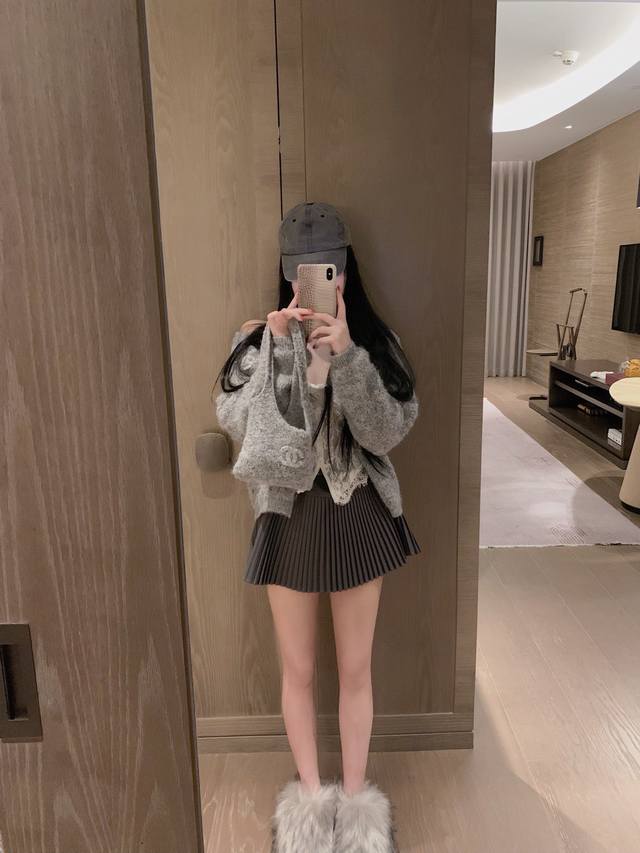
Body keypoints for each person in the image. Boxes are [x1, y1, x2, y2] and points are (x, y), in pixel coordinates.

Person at [213, 201, 420, 853]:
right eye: (303, 271)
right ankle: (307, 807)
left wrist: (349, 356)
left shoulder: (374, 342)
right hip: (287, 516)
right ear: (286, 274)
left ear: (345, 270)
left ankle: (357, 809)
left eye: (329, 269)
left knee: (356, 668)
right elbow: (243, 430)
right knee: (297, 668)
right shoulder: (256, 340)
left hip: (358, 511)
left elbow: (387, 432)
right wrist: (281, 355)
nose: (316, 283)